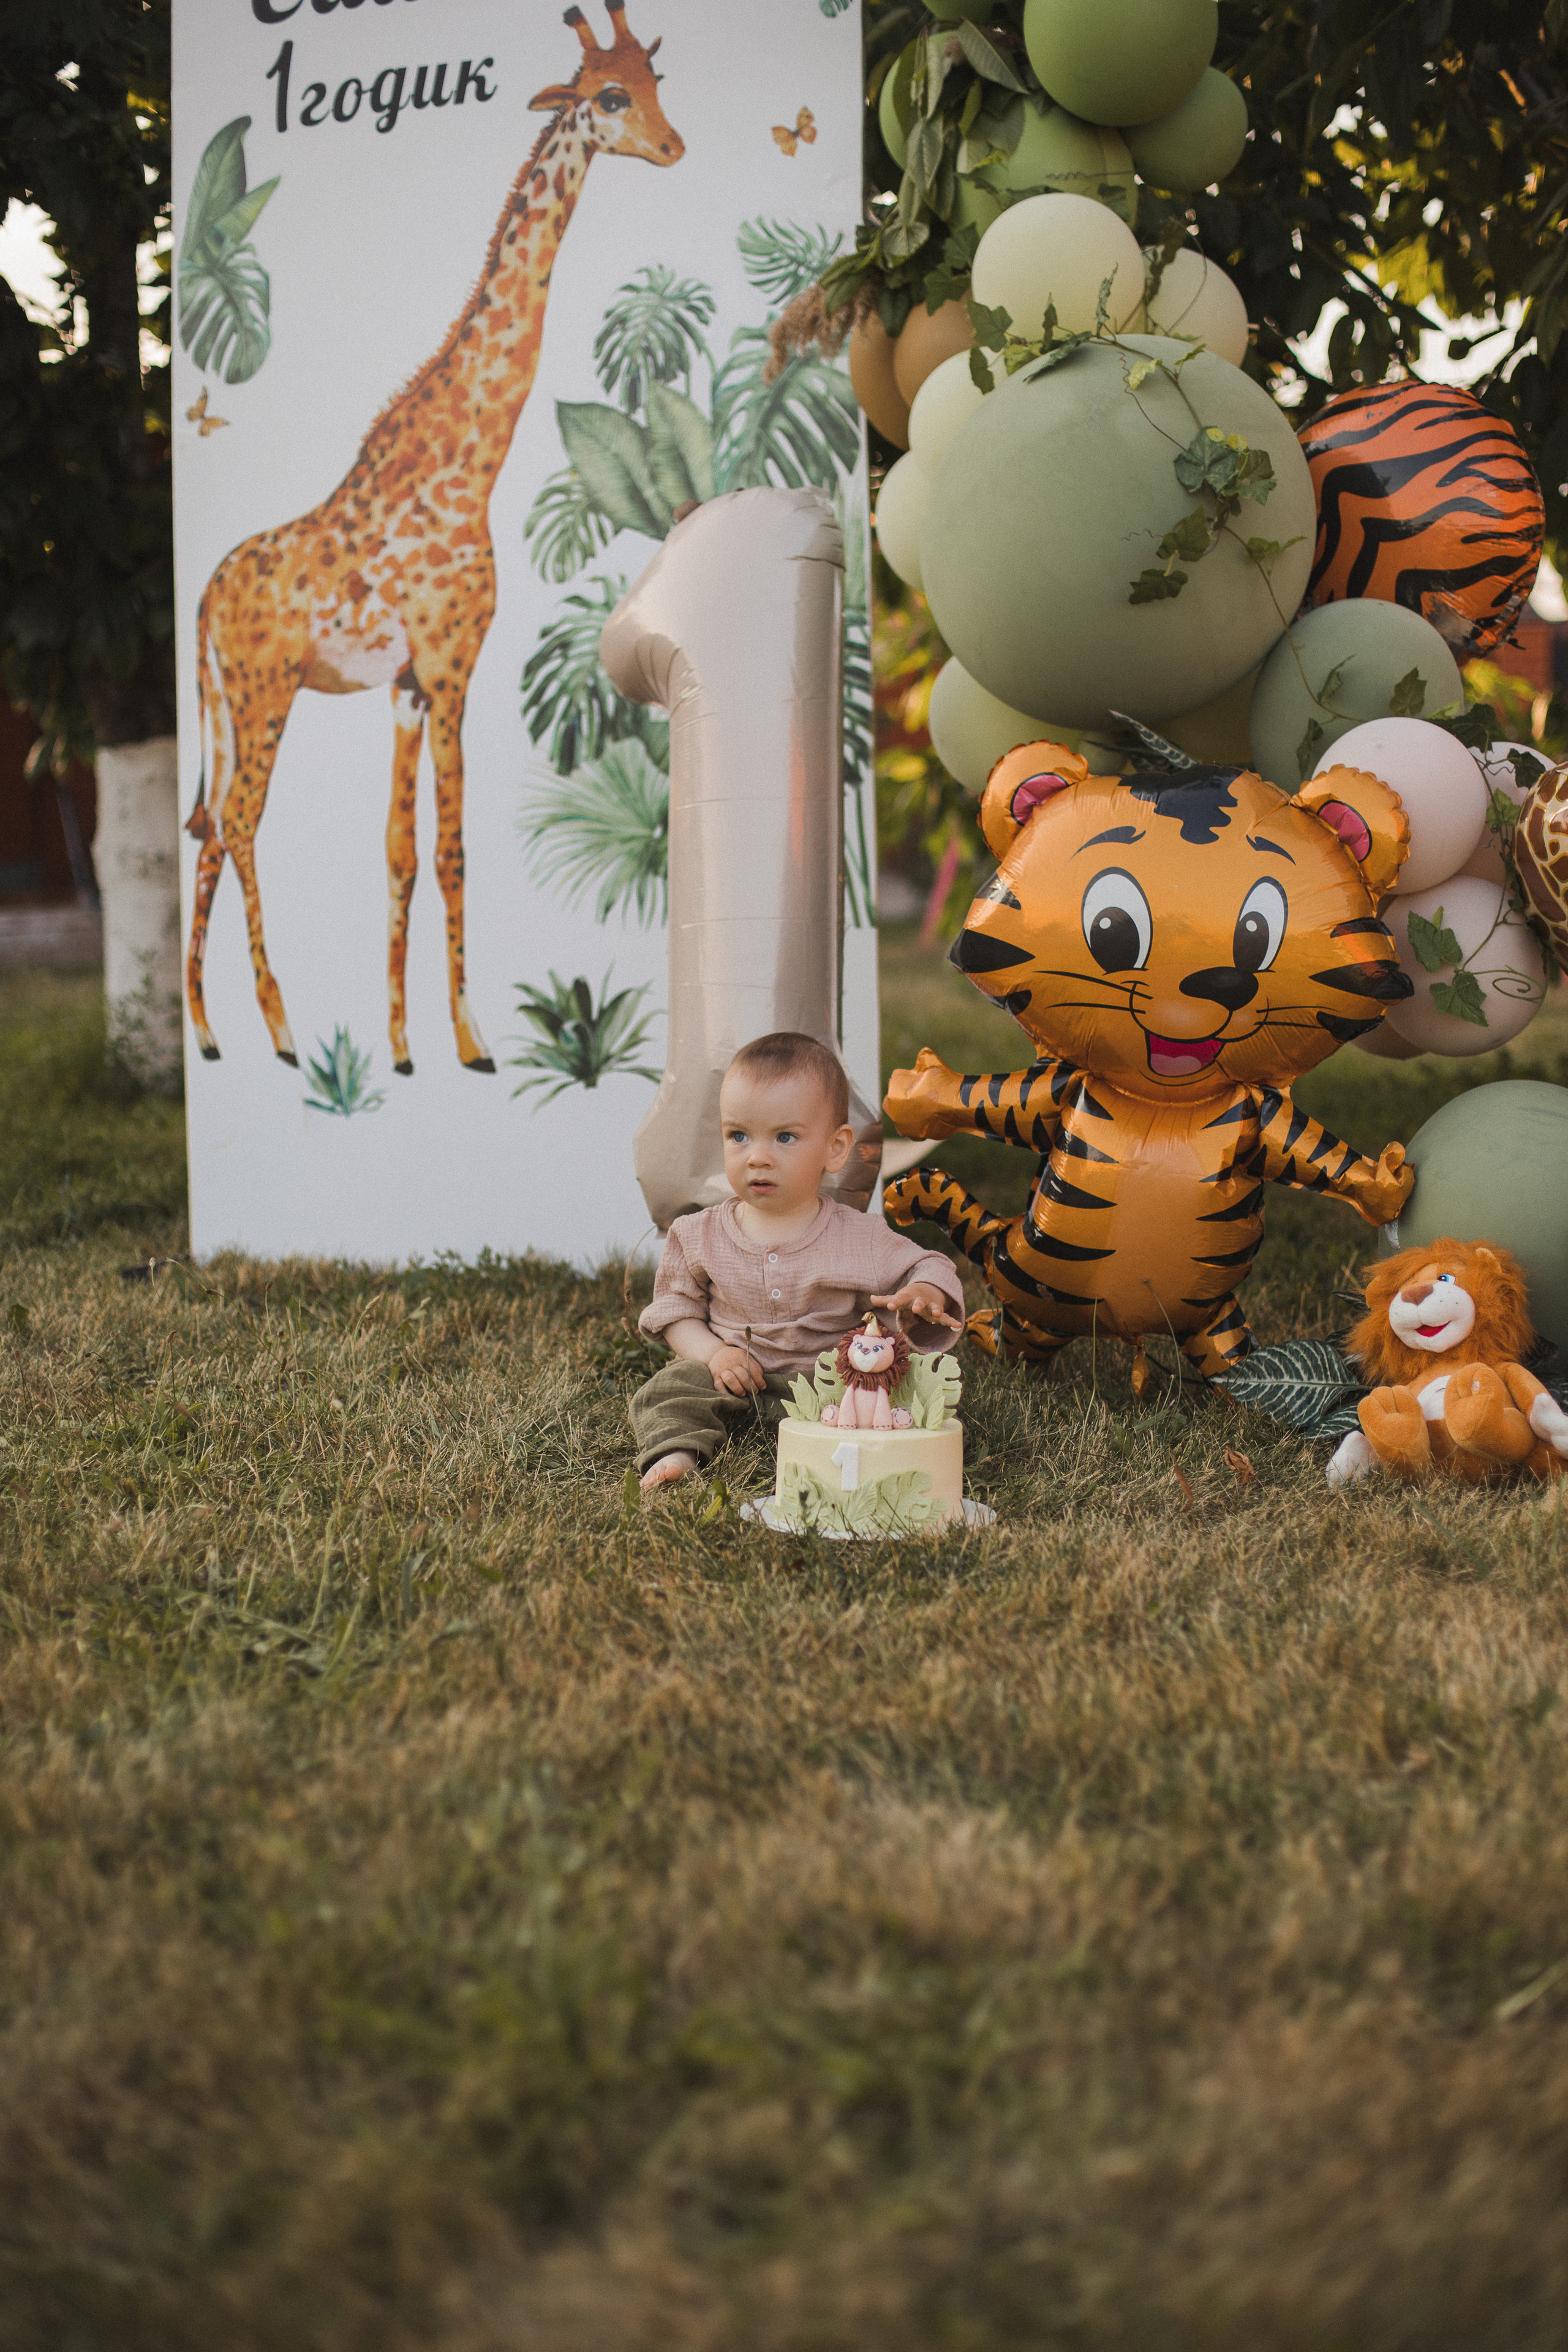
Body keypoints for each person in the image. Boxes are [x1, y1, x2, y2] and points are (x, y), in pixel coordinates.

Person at [633, 1031, 965, 1490]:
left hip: (831, 1382)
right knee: (673, 1388)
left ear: (835, 1148)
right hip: (732, 1379)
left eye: (785, 1137)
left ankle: (854, 1448)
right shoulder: (698, 1235)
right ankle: (677, 1453)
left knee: (905, 1389)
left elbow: (929, 1264)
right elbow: (675, 1312)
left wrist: (923, 1292)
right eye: (739, 1136)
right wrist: (714, 1354)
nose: (758, 1158)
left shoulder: (859, 1236)